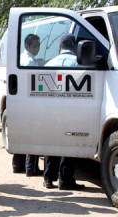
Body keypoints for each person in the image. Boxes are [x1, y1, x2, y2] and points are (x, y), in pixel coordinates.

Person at [43, 34, 85, 190]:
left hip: (52, 111)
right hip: (72, 110)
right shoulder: (78, 63)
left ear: (60, 47)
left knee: (51, 142)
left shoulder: (49, 64)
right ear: (74, 47)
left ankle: (48, 178)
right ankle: (66, 180)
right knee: (69, 142)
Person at [15, 34, 43, 177]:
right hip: (30, 102)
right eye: (34, 46)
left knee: (23, 135)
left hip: (20, 101)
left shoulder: (20, 58)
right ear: (27, 46)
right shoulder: (30, 61)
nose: (37, 49)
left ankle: (18, 165)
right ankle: (31, 168)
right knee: (33, 136)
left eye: (38, 46)